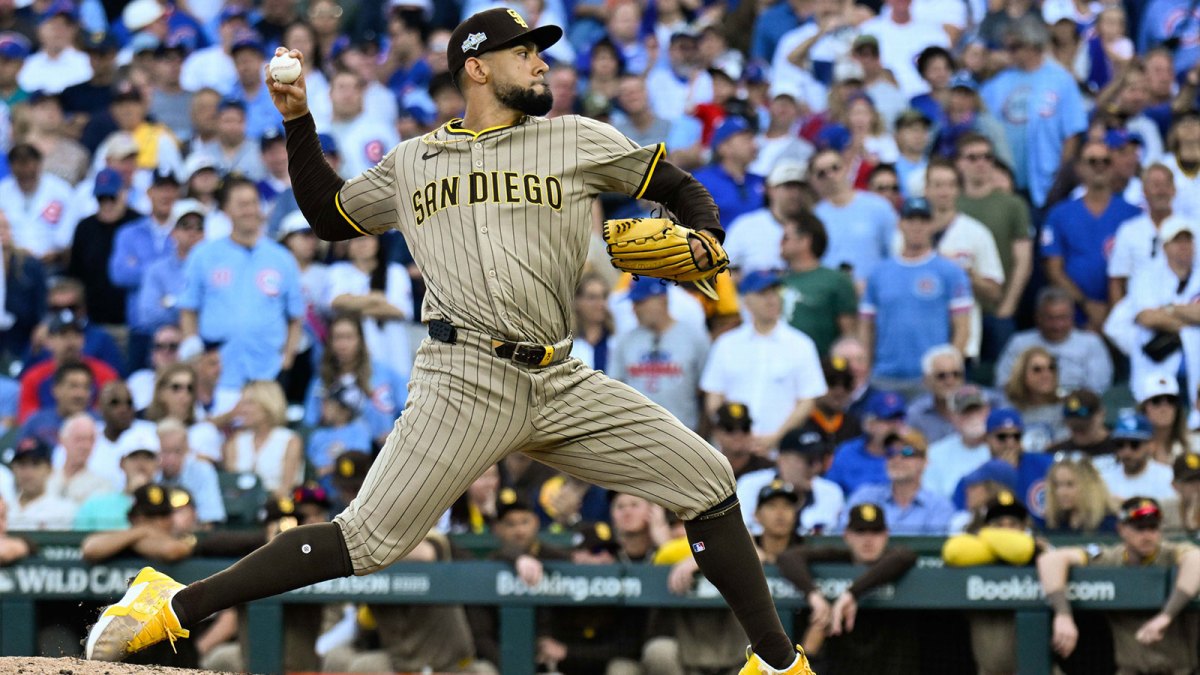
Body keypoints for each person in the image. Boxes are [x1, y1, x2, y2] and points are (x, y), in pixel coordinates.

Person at [87, 10, 816, 674]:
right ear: (476, 66)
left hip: (559, 376)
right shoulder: (414, 161)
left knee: (708, 478)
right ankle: (172, 606)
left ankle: (779, 663)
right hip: (462, 375)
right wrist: (299, 121)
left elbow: (676, 183)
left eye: (542, 54)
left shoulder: (575, 136)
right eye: (524, 53)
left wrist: (706, 239)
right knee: (367, 540)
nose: (541, 65)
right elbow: (331, 216)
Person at [1037, 497, 1200, 674]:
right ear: (1121, 529)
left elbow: (1197, 559)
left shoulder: (1171, 552)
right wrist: (1063, 615)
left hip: (1179, 669)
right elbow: (1050, 559)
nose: (1147, 535)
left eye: (1153, 527)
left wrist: (1165, 616)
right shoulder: (1110, 557)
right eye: (1139, 528)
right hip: (1130, 668)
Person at [178, 176, 304, 390]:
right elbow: (188, 308)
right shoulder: (204, 255)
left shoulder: (282, 258)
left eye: (254, 203)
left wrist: (287, 358)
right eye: (242, 205)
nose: (250, 210)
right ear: (226, 210)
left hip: (268, 370)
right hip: (218, 373)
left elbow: (295, 316)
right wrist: (194, 350)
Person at [777, 503, 920, 674]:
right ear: (847, 535)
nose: (868, 539)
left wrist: (851, 594)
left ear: (886, 535)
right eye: (860, 531)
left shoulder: (894, 560)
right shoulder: (838, 558)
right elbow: (787, 558)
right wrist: (814, 596)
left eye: (875, 532)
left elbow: (905, 556)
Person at [702, 270, 827, 453]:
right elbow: (714, 396)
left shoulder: (801, 344)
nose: (771, 300)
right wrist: (732, 436)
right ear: (746, 300)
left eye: (775, 292)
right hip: (730, 451)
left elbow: (807, 400)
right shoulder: (727, 344)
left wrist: (776, 437)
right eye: (763, 294)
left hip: (778, 450)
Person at [860, 197, 972, 397]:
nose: (917, 226)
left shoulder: (949, 272)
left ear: (932, 224)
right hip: (885, 376)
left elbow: (962, 327)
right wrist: (865, 368)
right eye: (911, 220)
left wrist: (948, 372)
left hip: (930, 379)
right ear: (900, 224)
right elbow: (866, 327)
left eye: (923, 220)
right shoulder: (879, 273)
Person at [979, 17, 1087, 210]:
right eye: (1007, 47)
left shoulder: (1061, 80)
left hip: (1047, 180)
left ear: (1032, 45)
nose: (1008, 53)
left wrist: (1060, 178)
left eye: (1015, 47)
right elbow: (984, 127)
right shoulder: (995, 84)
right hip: (1005, 182)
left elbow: (1072, 133)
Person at [1041, 138, 1141, 332]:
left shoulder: (1133, 215)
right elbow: (1054, 270)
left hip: (1125, 315)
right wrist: (1087, 305)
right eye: (1092, 161)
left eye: (1106, 161)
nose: (1100, 167)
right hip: (1072, 316)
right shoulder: (1059, 214)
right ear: (1080, 168)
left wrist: (1115, 310)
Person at [609, 277, 710, 432]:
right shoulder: (626, 340)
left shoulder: (694, 337)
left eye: (639, 302)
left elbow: (707, 393)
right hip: (636, 436)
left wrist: (703, 436)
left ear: (662, 300)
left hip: (684, 436)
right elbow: (614, 391)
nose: (634, 309)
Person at [995, 286, 1114, 393]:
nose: (1057, 325)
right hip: (1030, 406)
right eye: (1051, 318)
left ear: (1072, 316)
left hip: (1076, 408)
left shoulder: (1091, 343)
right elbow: (1003, 382)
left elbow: (1098, 387)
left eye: (1063, 318)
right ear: (1038, 317)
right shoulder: (1020, 342)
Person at [842, 429, 956, 534]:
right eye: (890, 452)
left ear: (924, 461)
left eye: (907, 452)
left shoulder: (938, 506)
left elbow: (934, 551)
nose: (897, 459)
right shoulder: (865, 497)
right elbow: (843, 536)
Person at [778, 210, 858, 357]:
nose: (780, 243)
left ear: (805, 241)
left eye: (785, 238)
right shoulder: (775, 282)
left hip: (821, 368)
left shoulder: (836, 281)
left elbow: (849, 336)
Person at [738, 427, 845, 536]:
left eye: (820, 460)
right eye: (809, 460)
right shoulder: (750, 485)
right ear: (782, 459)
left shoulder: (831, 493)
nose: (816, 467)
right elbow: (742, 534)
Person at [223, 380, 302, 499]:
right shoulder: (234, 442)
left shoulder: (290, 440)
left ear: (268, 405)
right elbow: (231, 485)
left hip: (276, 510)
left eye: (249, 403)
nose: (243, 410)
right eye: (242, 403)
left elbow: (288, 488)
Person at [825, 390, 908, 496]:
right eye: (887, 420)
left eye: (900, 420)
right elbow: (830, 491)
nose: (895, 426)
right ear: (870, 424)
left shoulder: (909, 453)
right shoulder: (846, 453)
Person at [1098, 414, 1177, 503]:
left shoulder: (1167, 478)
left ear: (1151, 446)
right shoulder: (1104, 480)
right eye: (1120, 444)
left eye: (1134, 444)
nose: (1127, 452)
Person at [1001, 346, 1067, 451]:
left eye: (1051, 368)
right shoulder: (1007, 411)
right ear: (1021, 375)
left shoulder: (1065, 408)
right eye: (1037, 370)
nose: (1046, 375)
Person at [7, 436, 77, 530]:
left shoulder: (65, 510)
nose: (28, 473)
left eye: (35, 465)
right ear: (13, 469)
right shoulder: (5, 508)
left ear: (49, 469)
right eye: (22, 465)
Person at [1043, 455, 1117, 534]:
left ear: (1089, 486)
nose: (1062, 492)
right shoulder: (1056, 523)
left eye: (1070, 484)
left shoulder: (1109, 523)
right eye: (1057, 485)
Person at [1048, 388, 1117, 458]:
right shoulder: (1057, 452)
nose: (1079, 430)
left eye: (1084, 425)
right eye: (1074, 427)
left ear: (1101, 414)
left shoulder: (1121, 448)